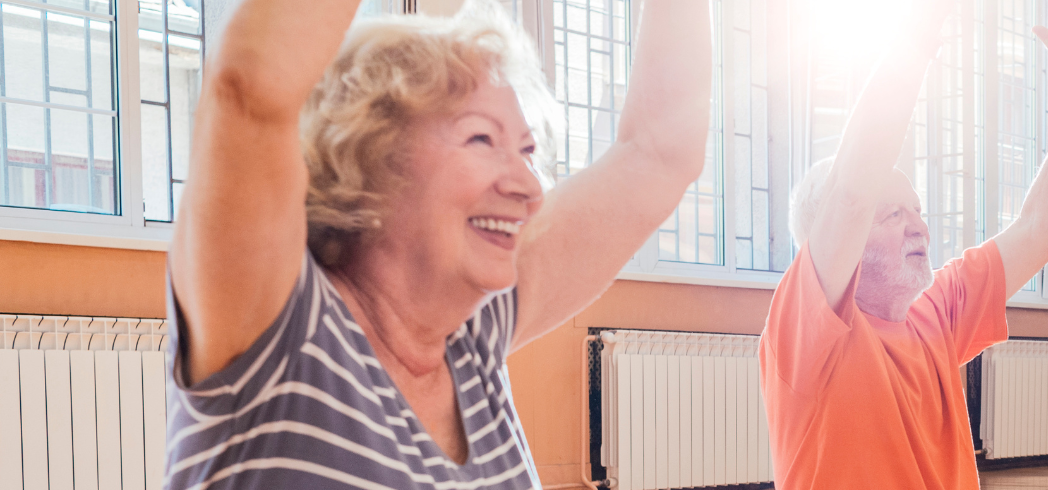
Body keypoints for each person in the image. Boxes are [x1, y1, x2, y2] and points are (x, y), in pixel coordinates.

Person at [163, 0, 710, 487]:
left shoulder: (474, 334)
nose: (528, 187)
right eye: (482, 138)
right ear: (369, 154)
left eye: (526, 151)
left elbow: (659, 152)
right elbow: (252, 87)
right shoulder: (280, 324)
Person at [757, 0, 1048, 487]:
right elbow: (849, 192)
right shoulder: (806, 328)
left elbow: (1042, 227)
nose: (920, 228)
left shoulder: (937, 310)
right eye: (893, 214)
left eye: (918, 212)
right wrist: (918, 31)